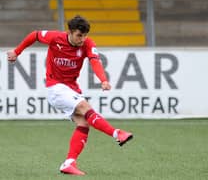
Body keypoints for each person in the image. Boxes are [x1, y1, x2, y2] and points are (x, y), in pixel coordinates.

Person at [6, 15, 133, 176]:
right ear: (70, 32)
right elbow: (35, 35)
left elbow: (95, 61)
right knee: (84, 106)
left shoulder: (87, 44)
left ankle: (69, 163)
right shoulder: (56, 38)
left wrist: (103, 80)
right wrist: (17, 52)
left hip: (71, 89)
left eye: (85, 35)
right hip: (55, 87)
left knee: (84, 123)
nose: (82, 39)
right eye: (79, 35)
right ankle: (117, 134)